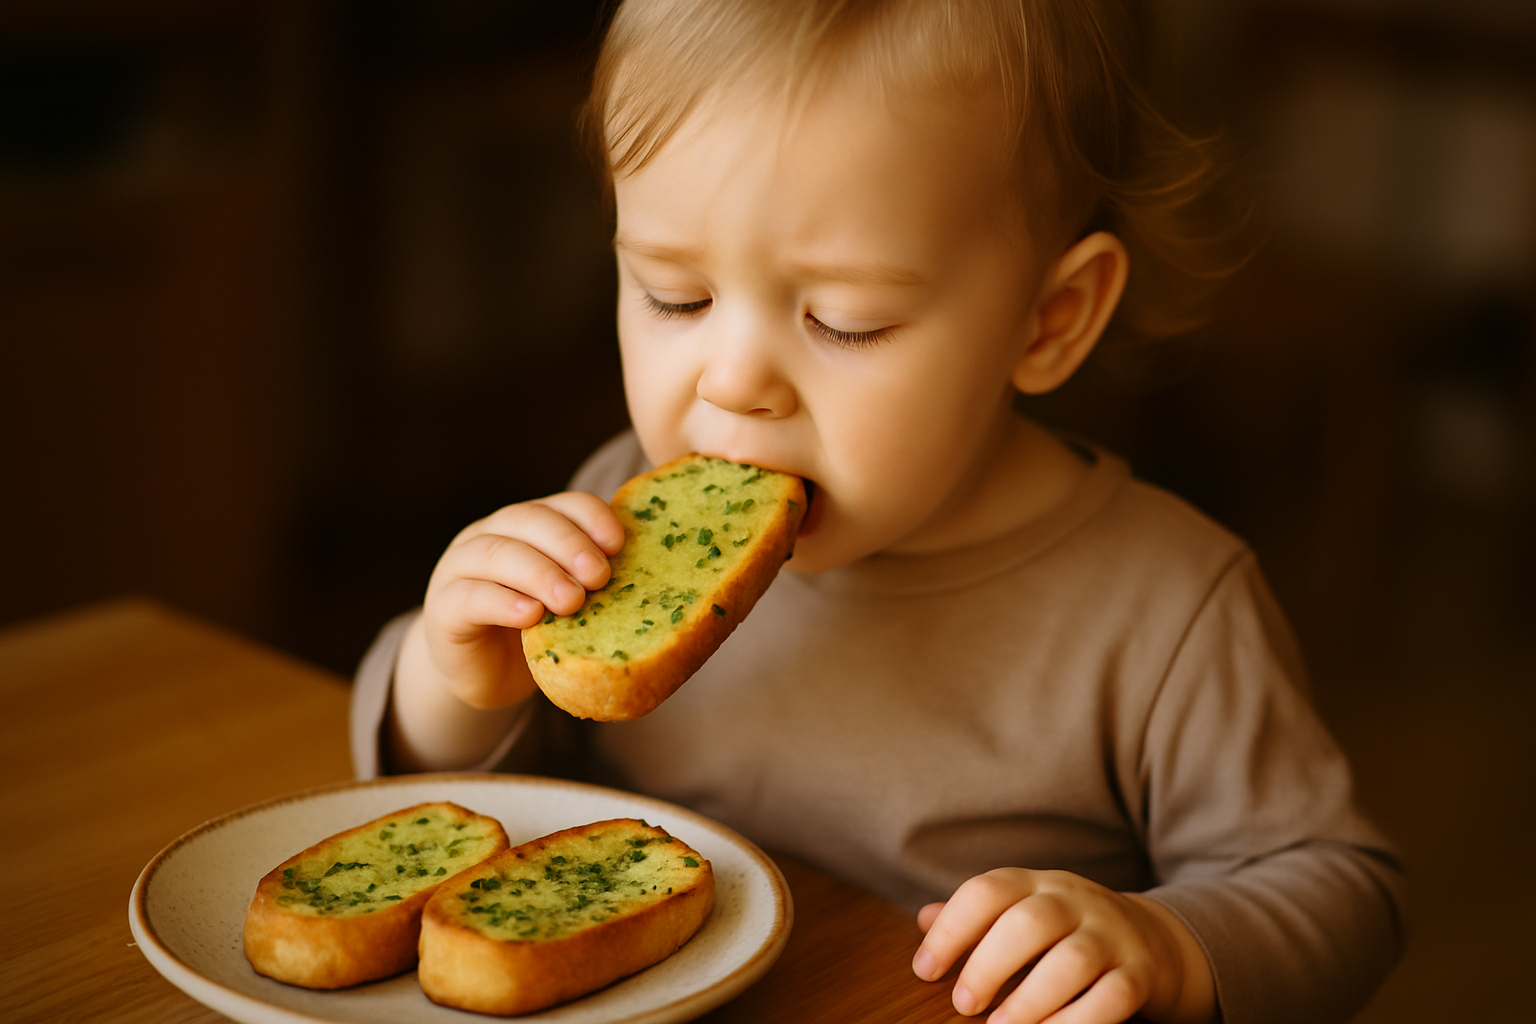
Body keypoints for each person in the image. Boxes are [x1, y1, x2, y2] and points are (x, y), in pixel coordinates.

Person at [351, 2, 1406, 1022]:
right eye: (674, 296)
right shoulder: (619, 510)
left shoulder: (1165, 609)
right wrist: (457, 683)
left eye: (844, 321)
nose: (732, 381)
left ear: (1049, 319)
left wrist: (1166, 945)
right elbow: (452, 807)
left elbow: (1344, 890)